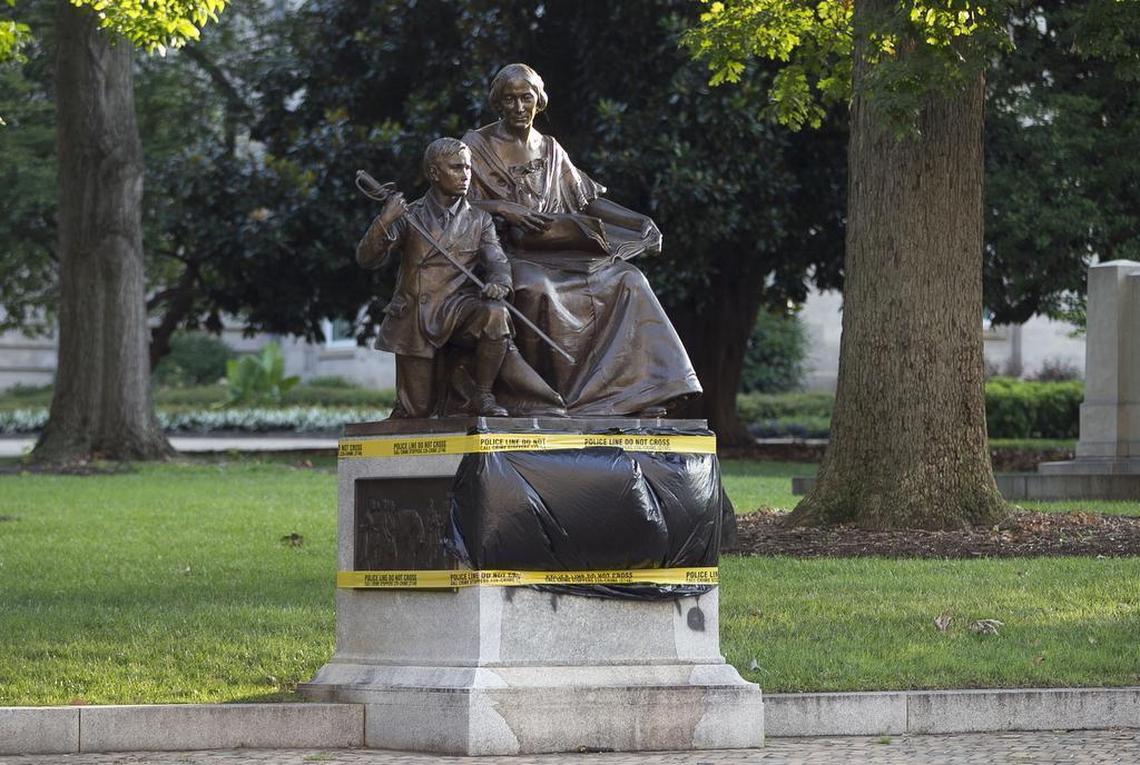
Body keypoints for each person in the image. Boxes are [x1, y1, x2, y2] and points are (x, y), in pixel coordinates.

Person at [463, 63, 701, 417]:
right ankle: (551, 401)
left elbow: (587, 199)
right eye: (509, 99)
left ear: (538, 101)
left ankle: (633, 395)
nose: (518, 107)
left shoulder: (552, 148)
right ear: (498, 103)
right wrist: (503, 208)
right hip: (507, 254)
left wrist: (640, 221)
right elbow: (453, 204)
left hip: (563, 251)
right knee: (537, 290)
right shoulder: (476, 146)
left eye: (525, 98)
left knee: (630, 280)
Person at [356, 137, 563, 418]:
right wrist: (385, 220)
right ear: (433, 173)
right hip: (418, 314)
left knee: (495, 313)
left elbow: (497, 261)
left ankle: (483, 395)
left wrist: (499, 283)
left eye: (467, 168)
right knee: (416, 411)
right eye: (456, 168)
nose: (466, 175)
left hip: (459, 308)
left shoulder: (479, 219)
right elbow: (367, 259)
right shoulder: (410, 215)